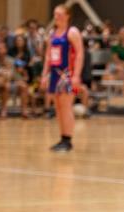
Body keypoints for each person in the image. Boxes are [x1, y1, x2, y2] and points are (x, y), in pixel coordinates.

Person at [41, 5, 84, 152]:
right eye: (55, 14)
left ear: (67, 16)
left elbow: (79, 54)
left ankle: (68, 140)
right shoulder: (52, 34)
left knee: (66, 107)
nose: (57, 17)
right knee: (58, 108)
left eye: (60, 14)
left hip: (68, 74)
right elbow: (48, 56)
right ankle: (62, 138)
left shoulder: (72, 32)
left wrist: (77, 75)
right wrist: (44, 74)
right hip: (55, 74)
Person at [0, 41, 29, 118]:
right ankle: (3, 110)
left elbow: (16, 73)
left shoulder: (11, 60)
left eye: (1, 48)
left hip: (11, 81)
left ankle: (24, 111)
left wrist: (21, 79)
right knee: (6, 85)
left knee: (24, 86)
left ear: (5, 50)